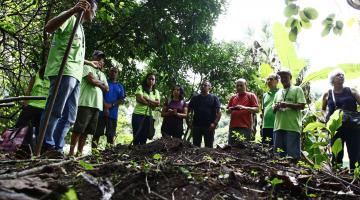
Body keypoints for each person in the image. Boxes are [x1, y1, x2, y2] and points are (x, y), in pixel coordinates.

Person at [39, 0, 97, 157]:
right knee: (56, 109)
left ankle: (57, 147)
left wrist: (89, 62)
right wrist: (73, 10)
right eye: (94, 10)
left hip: (76, 75)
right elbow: (49, 28)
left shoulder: (81, 28)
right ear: (88, 8)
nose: (95, 14)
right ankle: (46, 144)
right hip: (64, 71)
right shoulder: (72, 18)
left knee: (70, 116)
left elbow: (73, 51)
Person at [68, 50, 108, 156]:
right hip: (85, 102)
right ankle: (71, 153)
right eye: (98, 58)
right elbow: (91, 80)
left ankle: (79, 153)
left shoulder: (102, 74)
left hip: (97, 105)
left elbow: (107, 88)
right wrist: (101, 83)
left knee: (87, 131)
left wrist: (98, 82)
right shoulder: (87, 67)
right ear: (93, 58)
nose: (100, 61)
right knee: (78, 129)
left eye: (102, 60)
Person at [321, 69, 360, 170]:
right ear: (332, 79)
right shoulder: (328, 94)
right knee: (337, 153)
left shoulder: (352, 91)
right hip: (335, 128)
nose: (341, 76)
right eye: (338, 75)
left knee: (354, 153)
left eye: (343, 75)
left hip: (352, 127)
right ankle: (338, 175)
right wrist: (325, 118)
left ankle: (355, 177)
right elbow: (323, 109)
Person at [14, 67, 50, 157]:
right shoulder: (36, 76)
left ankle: (37, 152)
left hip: (44, 107)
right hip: (31, 105)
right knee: (20, 125)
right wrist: (25, 103)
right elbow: (29, 90)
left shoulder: (53, 78)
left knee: (40, 130)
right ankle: (21, 149)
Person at [272, 69, 306, 160]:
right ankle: (279, 174)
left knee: (293, 156)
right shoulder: (278, 93)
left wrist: (286, 104)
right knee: (278, 156)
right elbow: (273, 110)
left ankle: (295, 174)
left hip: (292, 127)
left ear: (290, 78)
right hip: (278, 127)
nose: (283, 79)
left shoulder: (297, 89)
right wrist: (276, 107)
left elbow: (302, 105)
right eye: (281, 77)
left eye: (285, 76)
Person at [92, 66, 125, 149]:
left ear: (117, 74)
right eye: (111, 71)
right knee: (97, 134)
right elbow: (99, 93)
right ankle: (93, 152)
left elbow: (121, 99)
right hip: (100, 113)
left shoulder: (120, 86)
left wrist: (111, 105)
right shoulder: (104, 82)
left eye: (115, 72)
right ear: (109, 72)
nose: (113, 73)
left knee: (110, 135)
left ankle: (108, 154)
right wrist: (105, 106)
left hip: (113, 115)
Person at [188, 81, 221, 148]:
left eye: (205, 85)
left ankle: (208, 159)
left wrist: (214, 123)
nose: (203, 86)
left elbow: (219, 112)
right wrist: (188, 123)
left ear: (209, 87)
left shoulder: (214, 98)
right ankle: (196, 158)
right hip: (196, 126)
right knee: (196, 146)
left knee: (209, 147)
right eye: (202, 85)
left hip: (209, 126)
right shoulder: (195, 98)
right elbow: (188, 111)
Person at [226, 79, 259, 144]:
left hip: (245, 127)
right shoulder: (233, 97)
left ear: (246, 86)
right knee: (231, 149)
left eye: (241, 85)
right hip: (233, 127)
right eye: (237, 86)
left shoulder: (251, 95)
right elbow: (227, 111)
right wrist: (231, 109)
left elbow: (257, 109)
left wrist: (244, 107)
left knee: (243, 149)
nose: (239, 87)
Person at [132, 73, 160, 145]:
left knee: (144, 136)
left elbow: (157, 103)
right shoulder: (141, 87)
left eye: (152, 79)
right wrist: (150, 104)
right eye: (149, 78)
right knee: (136, 135)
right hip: (137, 114)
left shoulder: (156, 92)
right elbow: (139, 99)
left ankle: (141, 154)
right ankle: (134, 152)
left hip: (149, 116)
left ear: (154, 81)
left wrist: (147, 99)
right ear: (146, 79)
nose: (151, 80)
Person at [261, 74, 279, 145]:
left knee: (276, 149)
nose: (268, 81)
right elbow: (263, 110)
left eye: (271, 79)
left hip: (276, 126)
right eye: (267, 79)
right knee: (265, 149)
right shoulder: (265, 95)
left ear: (277, 81)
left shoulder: (281, 93)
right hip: (265, 126)